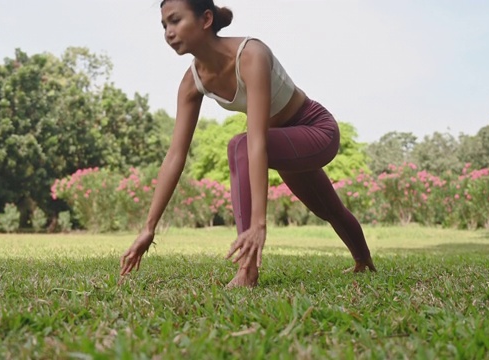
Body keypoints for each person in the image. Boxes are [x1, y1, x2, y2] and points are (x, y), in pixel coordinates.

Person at [120, 0, 376, 287]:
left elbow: (254, 142)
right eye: (165, 25)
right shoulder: (192, 83)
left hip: (315, 130)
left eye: (176, 20)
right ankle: (363, 260)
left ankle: (247, 271)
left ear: (205, 19)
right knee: (326, 208)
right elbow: (175, 156)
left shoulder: (251, 54)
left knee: (238, 145)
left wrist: (259, 225)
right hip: (280, 142)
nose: (169, 31)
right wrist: (149, 227)